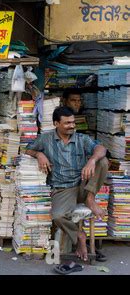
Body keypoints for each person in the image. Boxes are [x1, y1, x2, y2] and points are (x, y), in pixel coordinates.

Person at [25, 106, 108, 262]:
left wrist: (92, 160)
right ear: (56, 123)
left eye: (73, 122)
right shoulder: (46, 138)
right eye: (67, 123)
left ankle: (90, 199)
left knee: (102, 161)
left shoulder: (81, 139)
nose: (72, 125)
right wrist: (39, 154)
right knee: (57, 215)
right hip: (63, 188)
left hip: (84, 185)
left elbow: (101, 148)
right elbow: (27, 149)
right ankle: (79, 236)